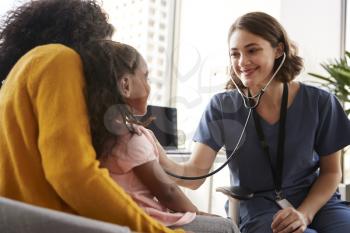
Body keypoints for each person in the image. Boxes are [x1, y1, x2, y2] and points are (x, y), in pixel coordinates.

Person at [158, 12, 350, 233]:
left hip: (317, 202)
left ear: (278, 50)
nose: (242, 62)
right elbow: (194, 176)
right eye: (234, 54)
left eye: (252, 50)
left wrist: (305, 214)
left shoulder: (320, 102)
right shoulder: (222, 107)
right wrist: (157, 158)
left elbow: (331, 173)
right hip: (258, 206)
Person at [0, 0, 183, 232]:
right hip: (50, 221)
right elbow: (72, 174)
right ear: (88, 35)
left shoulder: (24, 69)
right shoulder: (59, 59)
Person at [79, 39, 240, 233]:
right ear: (125, 85)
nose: (148, 85)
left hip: (118, 220)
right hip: (149, 221)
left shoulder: (99, 134)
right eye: (145, 77)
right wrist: (198, 213)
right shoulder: (131, 139)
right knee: (227, 226)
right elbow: (168, 192)